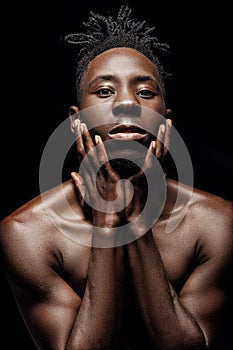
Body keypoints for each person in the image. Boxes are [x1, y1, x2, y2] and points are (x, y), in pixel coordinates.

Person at [0, 4, 233, 349]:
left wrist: (135, 212)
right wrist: (109, 216)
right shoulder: (29, 232)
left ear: (165, 123)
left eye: (145, 92)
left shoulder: (216, 223)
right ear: (77, 122)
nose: (128, 103)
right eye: (105, 91)